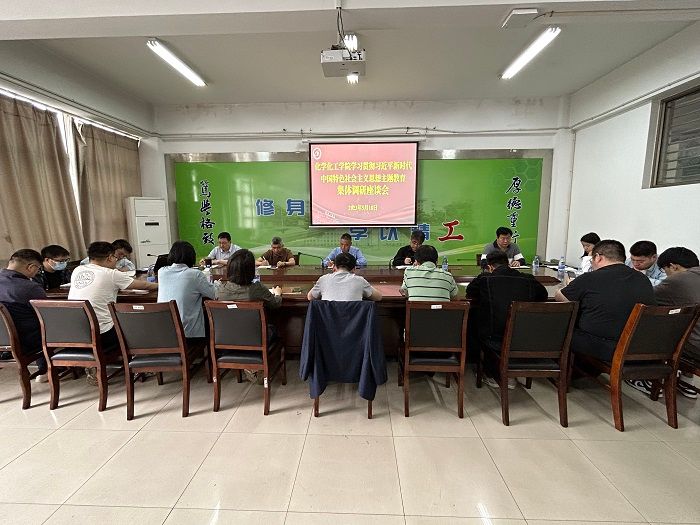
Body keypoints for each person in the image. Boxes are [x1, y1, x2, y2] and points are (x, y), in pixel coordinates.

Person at [69, 241, 157, 384]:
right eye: (116, 258)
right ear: (110, 257)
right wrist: (161, 284)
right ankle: (141, 366)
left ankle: (94, 365)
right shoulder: (110, 274)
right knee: (137, 323)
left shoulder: (77, 270)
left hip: (76, 333)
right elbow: (145, 285)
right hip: (102, 335)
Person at [555, 239, 655, 364]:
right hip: (639, 346)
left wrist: (565, 287)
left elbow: (562, 298)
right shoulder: (643, 279)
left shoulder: (590, 278)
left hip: (605, 347)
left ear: (598, 257)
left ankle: (562, 370)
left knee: (560, 326)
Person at [466, 251, 548, 388]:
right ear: (508, 263)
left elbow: (470, 292)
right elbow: (543, 296)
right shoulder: (528, 279)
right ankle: (510, 374)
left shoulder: (485, 279)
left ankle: (492, 374)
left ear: (490, 267)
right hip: (524, 338)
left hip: (494, 339)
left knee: (474, 321)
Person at [216, 249, 283, 383]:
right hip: (255, 339)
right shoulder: (256, 289)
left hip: (226, 340)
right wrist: (277, 293)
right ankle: (259, 367)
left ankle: (251, 368)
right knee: (276, 328)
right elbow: (275, 304)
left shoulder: (220, 289)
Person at [643, 247, 700, 399]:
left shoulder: (677, 281)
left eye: (665, 270)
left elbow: (645, 298)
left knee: (653, 326)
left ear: (673, 266)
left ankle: (649, 377)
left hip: (696, 349)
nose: (666, 275)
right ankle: (686, 381)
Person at [0, 249, 48, 382]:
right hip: (25, 341)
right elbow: (46, 315)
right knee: (47, 324)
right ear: (31, 267)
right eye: (38, 269)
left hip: (5, 340)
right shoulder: (29, 287)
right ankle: (48, 368)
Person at [157, 241, 216, 340]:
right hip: (188, 336)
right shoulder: (195, 274)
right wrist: (217, 284)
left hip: (165, 335)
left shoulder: (161, 272)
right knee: (210, 319)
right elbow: (214, 294)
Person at [308, 252, 381, 301]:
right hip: (353, 320)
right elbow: (378, 297)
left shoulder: (323, 279)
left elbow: (310, 297)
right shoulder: (360, 281)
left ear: (334, 267)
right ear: (354, 269)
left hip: (328, 320)